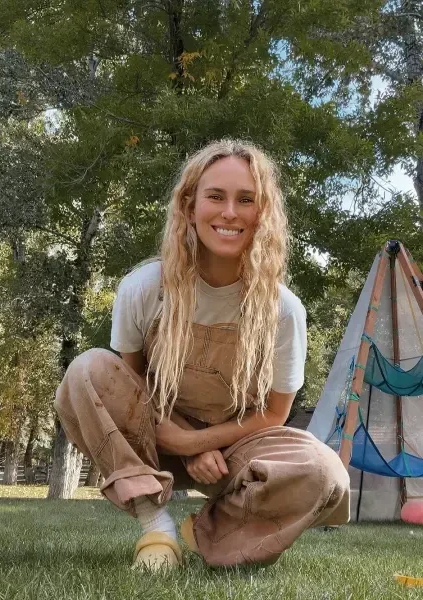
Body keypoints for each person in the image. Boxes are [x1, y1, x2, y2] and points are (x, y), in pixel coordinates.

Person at [54, 139, 350, 570]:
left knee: (325, 470)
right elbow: (129, 385)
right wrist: (182, 442)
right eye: (215, 196)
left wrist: (199, 442)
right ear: (189, 206)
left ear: (263, 213)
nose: (230, 212)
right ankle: (155, 526)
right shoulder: (143, 288)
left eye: (245, 199)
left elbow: (275, 413)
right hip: (157, 438)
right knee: (88, 370)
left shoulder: (283, 310)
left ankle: (211, 531)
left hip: (237, 452)